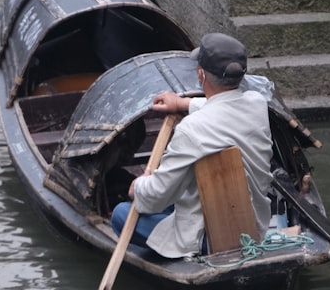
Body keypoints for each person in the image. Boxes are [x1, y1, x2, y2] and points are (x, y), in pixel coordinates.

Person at [110, 33, 273, 258]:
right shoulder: (258, 104)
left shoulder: (191, 129)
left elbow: (155, 198)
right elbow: (221, 107)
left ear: (200, 75)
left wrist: (138, 186)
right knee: (175, 195)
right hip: (254, 229)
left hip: (208, 240)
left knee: (121, 213)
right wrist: (182, 103)